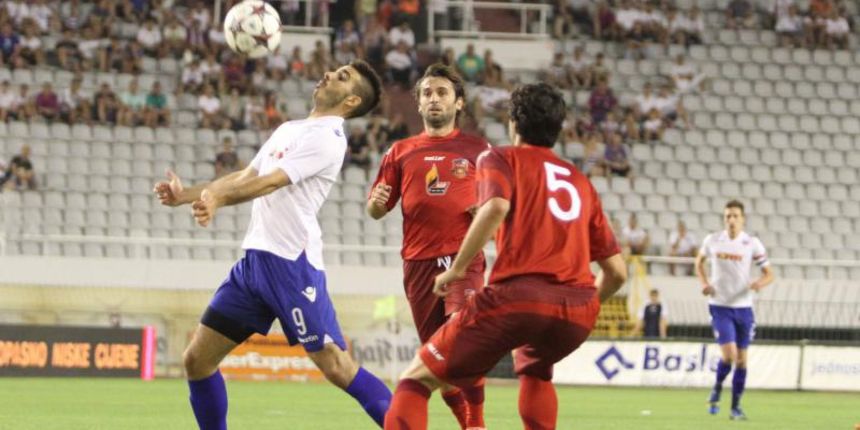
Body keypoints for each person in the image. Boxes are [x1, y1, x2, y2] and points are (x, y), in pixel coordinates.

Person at [152, 60, 392, 429]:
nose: (329, 73)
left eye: (343, 77)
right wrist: (190, 195)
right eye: (335, 70)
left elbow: (270, 183)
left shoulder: (329, 140)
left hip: (291, 266)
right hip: (254, 266)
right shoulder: (290, 129)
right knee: (196, 361)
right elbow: (247, 176)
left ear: (351, 102)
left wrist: (215, 199)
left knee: (336, 366)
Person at [383, 83, 628, 430]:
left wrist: (457, 269)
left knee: (415, 380)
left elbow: (496, 206)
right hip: (578, 310)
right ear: (558, 130)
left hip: (519, 298)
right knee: (535, 370)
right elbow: (617, 272)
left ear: (513, 123)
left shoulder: (499, 157)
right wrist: (581, 304)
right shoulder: (580, 181)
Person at [367, 63, 489, 429]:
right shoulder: (400, 151)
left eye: (442, 93)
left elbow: (501, 205)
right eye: (427, 94)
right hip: (418, 264)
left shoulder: (479, 150)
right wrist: (376, 202)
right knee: (440, 359)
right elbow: (376, 208)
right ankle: (466, 422)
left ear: (459, 103)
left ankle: (477, 424)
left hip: (464, 259)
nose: (433, 99)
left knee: (462, 339)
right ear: (418, 104)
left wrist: (485, 209)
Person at [695, 200, 774, 421]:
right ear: (724, 219)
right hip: (720, 306)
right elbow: (698, 262)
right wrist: (704, 283)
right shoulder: (712, 241)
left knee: (741, 361)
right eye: (727, 216)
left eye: (735, 216)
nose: (731, 220)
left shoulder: (752, 243)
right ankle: (718, 386)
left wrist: (760, 283)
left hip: (744, 309)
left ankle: (735, 407)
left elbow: (769, 273)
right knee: (729, 356)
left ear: (743, 219)